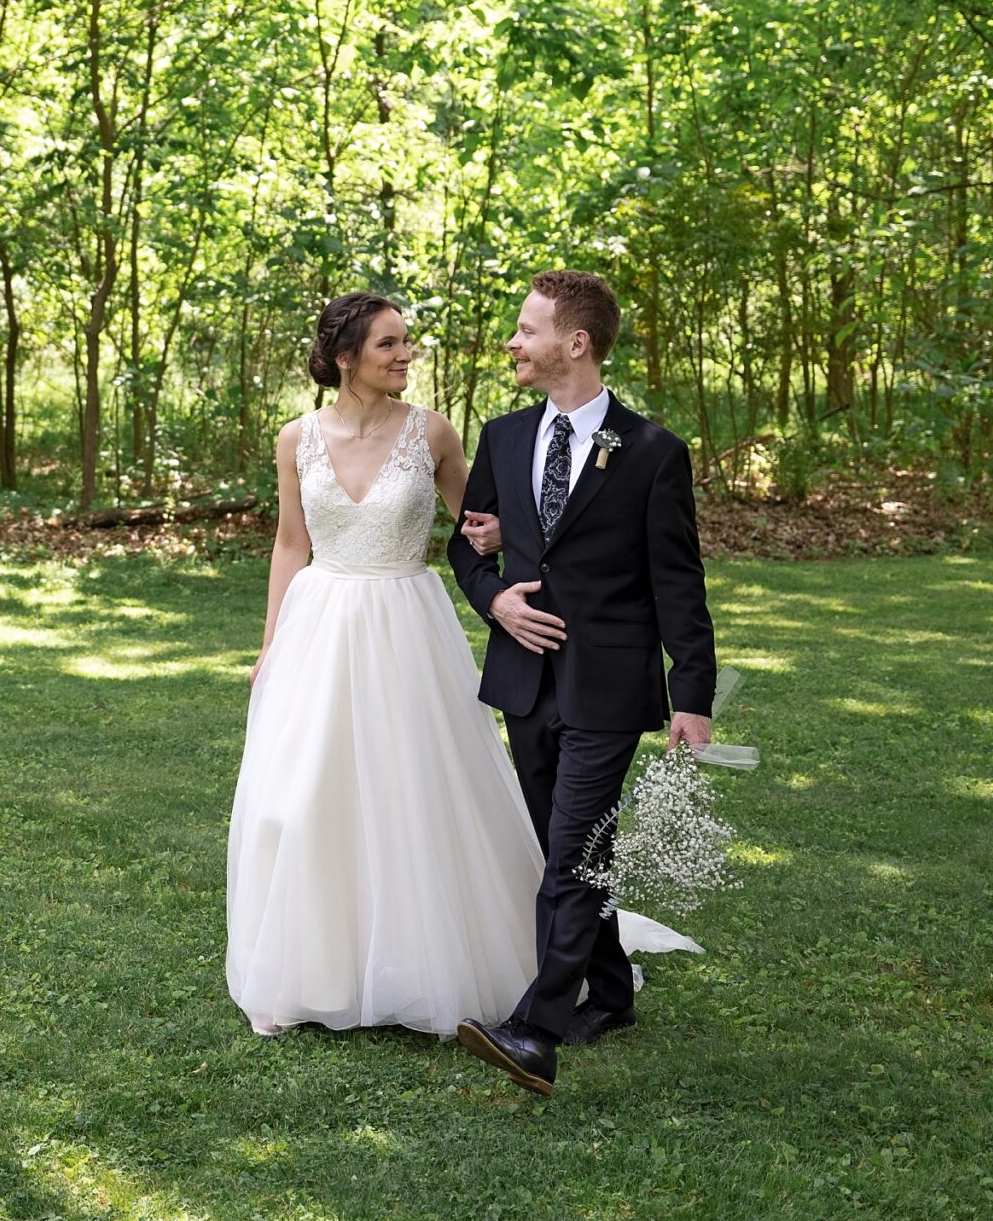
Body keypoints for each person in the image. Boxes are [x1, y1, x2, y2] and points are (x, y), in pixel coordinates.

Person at [224, 289, 689, 1042]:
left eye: (407, 341)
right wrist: (271, 641)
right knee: (304, 794)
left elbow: (491, 522)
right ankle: (305, 969)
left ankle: (444, 960)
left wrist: (506, 545)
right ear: (346, 358)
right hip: (317, 628)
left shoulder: (433, 432)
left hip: (406, 627)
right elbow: (289, 542)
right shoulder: (295, 438)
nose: (406, 354)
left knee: (413, 794)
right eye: (389, 344)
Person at [446, 269, 718, 1095]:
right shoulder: (499, 436)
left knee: (569, 854)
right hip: (526, 681)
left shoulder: (652, 453)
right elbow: (467, 545)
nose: (512, 342)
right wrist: (497, 600)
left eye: (527, 329)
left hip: (608, 685)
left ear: (577, 342)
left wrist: (694, 693)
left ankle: (537, 1027)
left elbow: (679, 580)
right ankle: (611, 989)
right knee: (570, 849)